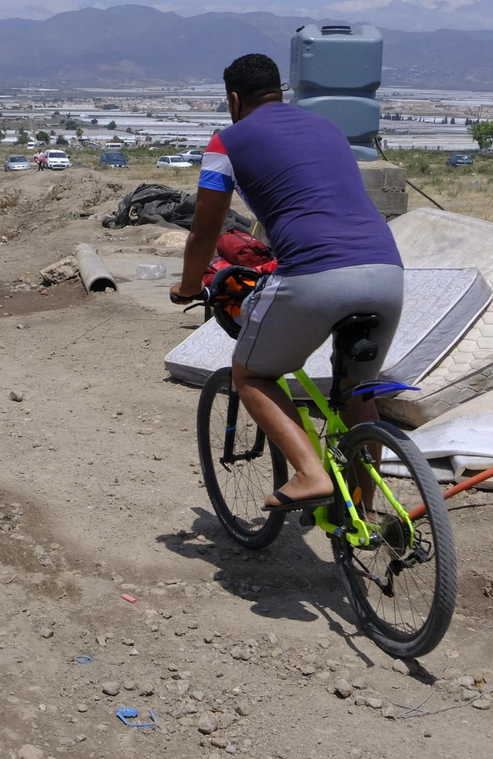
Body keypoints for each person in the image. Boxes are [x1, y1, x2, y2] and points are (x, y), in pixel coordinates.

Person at [170, 53, 403, 512]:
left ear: (234, 99)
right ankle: (363, 515)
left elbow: (205, 231)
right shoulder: (329, 130)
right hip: (386, 269)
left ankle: (309, 472)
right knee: (357, 392)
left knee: (251, 374)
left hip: (315, 273)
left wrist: (188, 286)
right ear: (281, 92)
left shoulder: (226, 141)